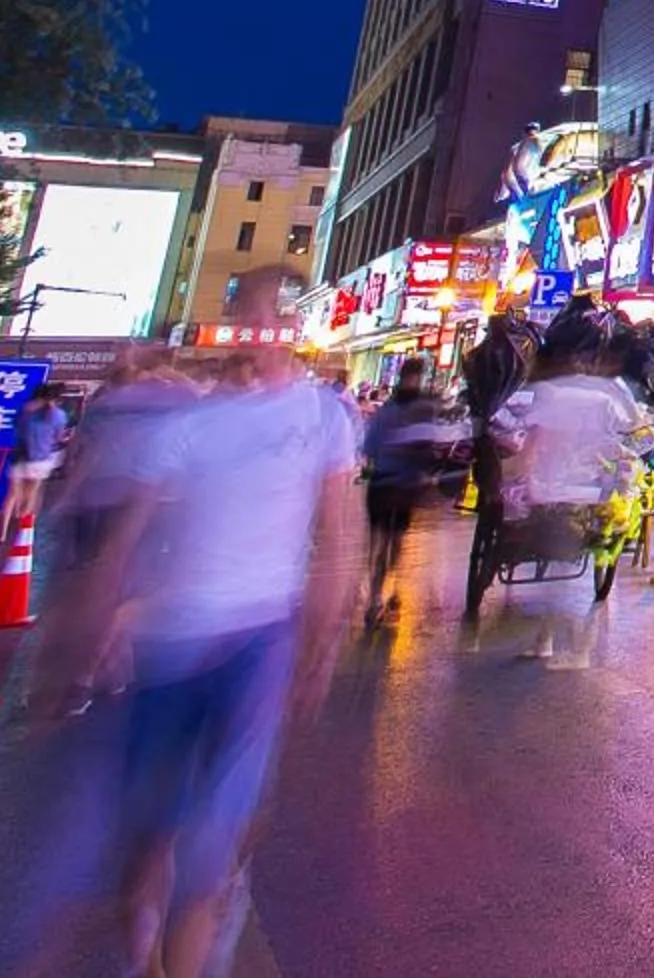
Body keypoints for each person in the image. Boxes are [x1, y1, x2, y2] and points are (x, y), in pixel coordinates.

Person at [46, 347, 358, 978]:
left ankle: (186, 924)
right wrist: (92, 630)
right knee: (156, 834)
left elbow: (338, 534)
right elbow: (122, 543)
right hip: (174, 641)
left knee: (204, 836)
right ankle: (154, 942)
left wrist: (322, 638)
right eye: (249, 363)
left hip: (254, 638)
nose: (258, 375)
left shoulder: (311, 420)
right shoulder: (187, 430)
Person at [492, 344, 648, 669]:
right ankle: (548, 640)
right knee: (565, 569)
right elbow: (641, 437)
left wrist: (503, 477)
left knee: (559, 572)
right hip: (598, 499)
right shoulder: (608, 395)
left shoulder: (550, 396)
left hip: (557, 497)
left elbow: (528, 454)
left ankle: (577, 650)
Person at [358, 358, 454, 625]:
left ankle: (377, 594)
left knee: (380, 541)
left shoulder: (386, 411)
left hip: (382, 483)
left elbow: (369, 448)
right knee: (392, 541)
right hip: (402, 485)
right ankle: (384, 592)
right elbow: (431, 447)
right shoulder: (423, 410)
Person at [4, 386, 71, 541]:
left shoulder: (26, 411)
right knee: (32, 494)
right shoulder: (58, 415)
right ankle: (23, 527)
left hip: (19, 456)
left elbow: (15, 425)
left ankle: (2, 533)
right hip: (41, 458)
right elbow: (59, 437)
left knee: (12, 495)